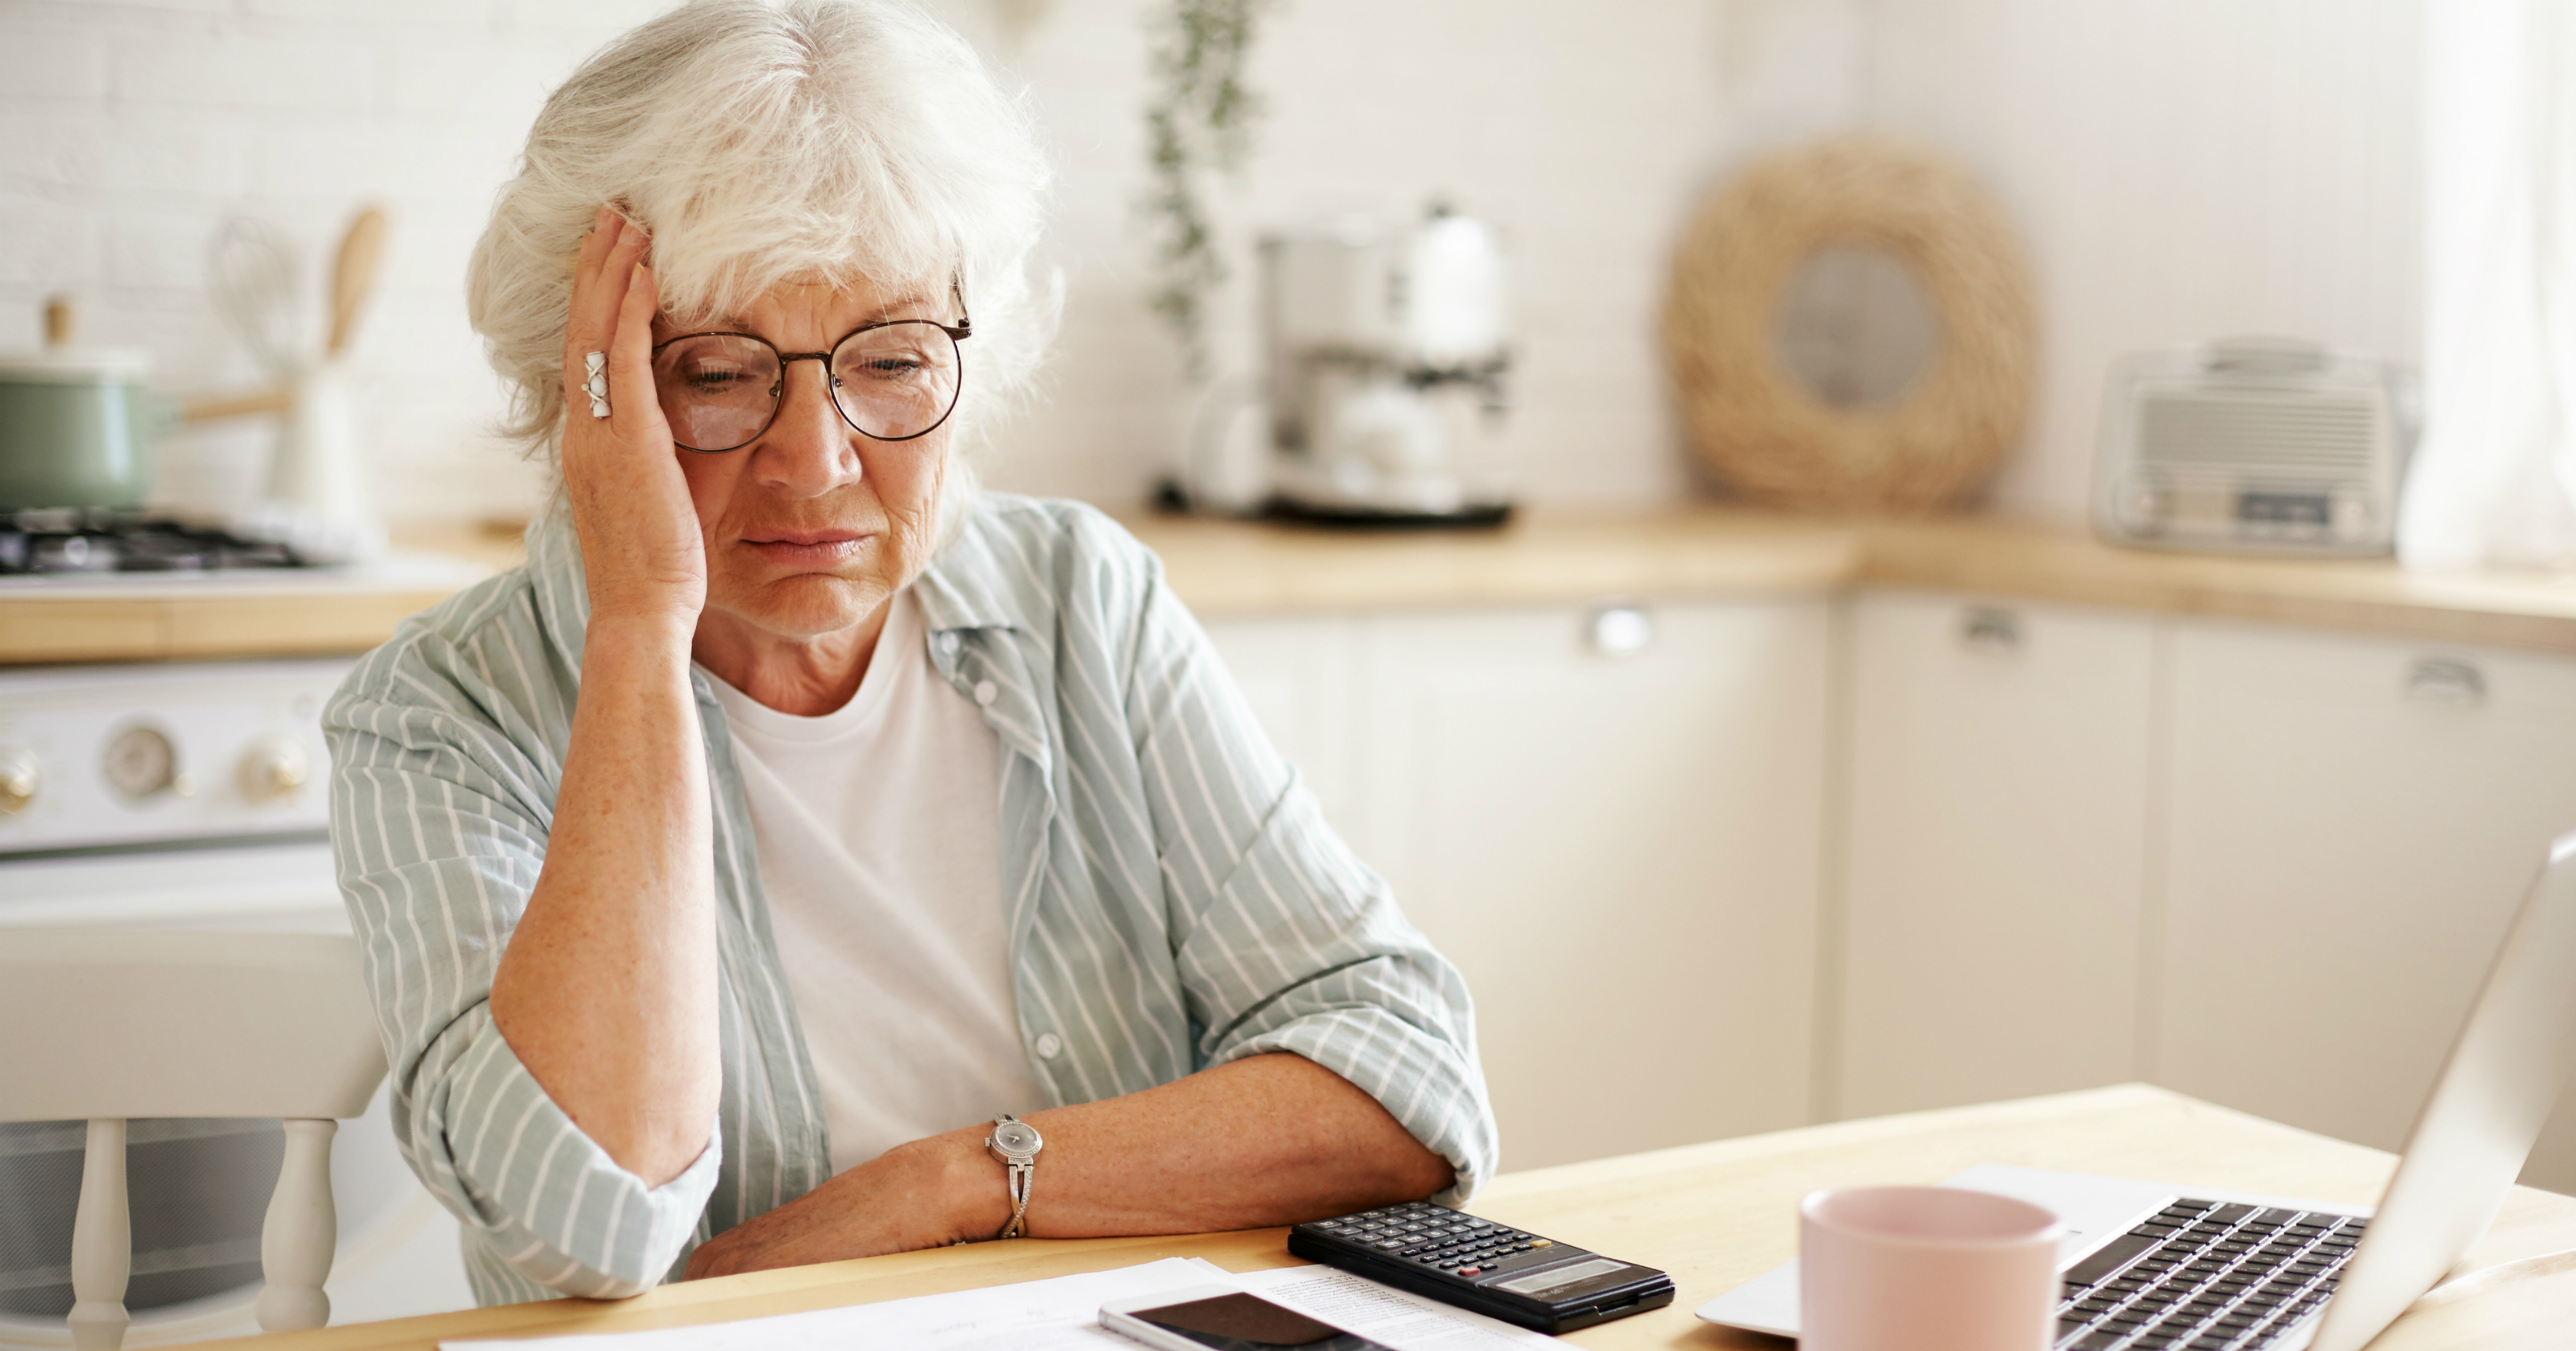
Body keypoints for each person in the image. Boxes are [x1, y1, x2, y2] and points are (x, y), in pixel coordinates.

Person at [323, 0, 1496, 1307]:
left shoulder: (1076, 600)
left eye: (888, 359)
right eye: (716, 373)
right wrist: (641, 626)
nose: (817, 462)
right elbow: (579, 1229)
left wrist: (952, 1185)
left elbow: (1407, 1086)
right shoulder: (438, 714)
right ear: (586, 392)